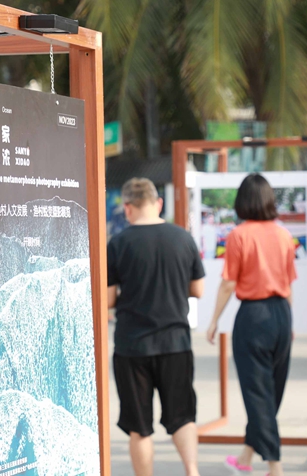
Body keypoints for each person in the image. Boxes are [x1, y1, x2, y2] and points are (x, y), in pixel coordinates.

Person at [107, 178, 205, 476]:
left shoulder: (119, 244)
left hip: (132, 346)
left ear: (127, 208)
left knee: (139, 427)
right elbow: (198, 290)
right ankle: (192, 471)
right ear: (158, 203)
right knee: (183, 417)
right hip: (176, 343)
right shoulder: (182, 238)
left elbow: (108, 300)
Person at [206, 174, 296, 476]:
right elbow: (288, 283)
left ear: (242, 201)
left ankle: (275, 467)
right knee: (270, 392)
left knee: (258, 394)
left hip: (253, 318)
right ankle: (245, 459)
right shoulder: (284, 235)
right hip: (281, 313)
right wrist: (288, 322)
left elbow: (228, 284)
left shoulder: (239, 235)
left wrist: (214, 320)